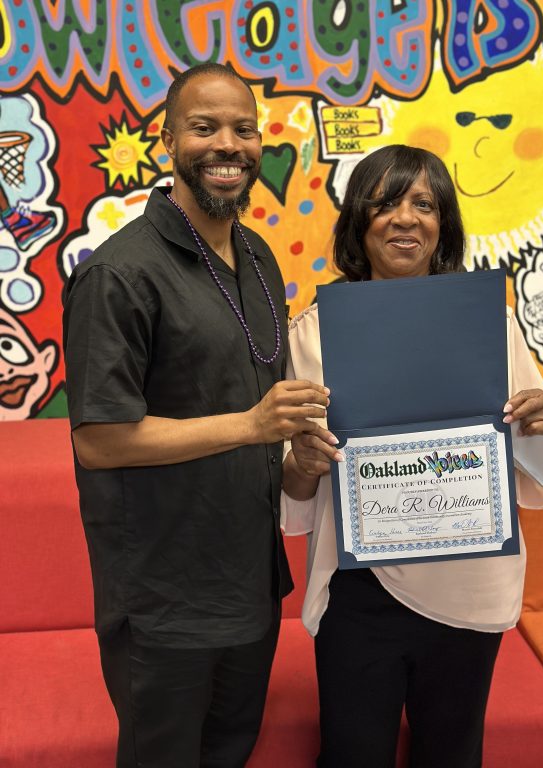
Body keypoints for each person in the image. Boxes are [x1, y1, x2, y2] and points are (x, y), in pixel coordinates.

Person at [62, 63, 329, 768]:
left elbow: (257, 407)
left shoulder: (256, 255)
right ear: (168, 141)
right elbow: (100, 440)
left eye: (244, 129)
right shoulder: (119, 273)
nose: (228, 145)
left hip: (250, 581)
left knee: (231, 752)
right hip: (164, 598)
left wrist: (295, 456)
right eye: (204, 127)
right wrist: (253, 425)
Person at [281, 144, 543, 768]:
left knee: (451, 753)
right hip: (360, 588)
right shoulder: (314, 331)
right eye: (385, 203)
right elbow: (295, 494)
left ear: (443, 223)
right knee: (353, 754)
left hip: (471, 580)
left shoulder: (490, 325)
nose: (405, 218)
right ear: (359, 220)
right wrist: (301, 464)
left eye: (423, 204)